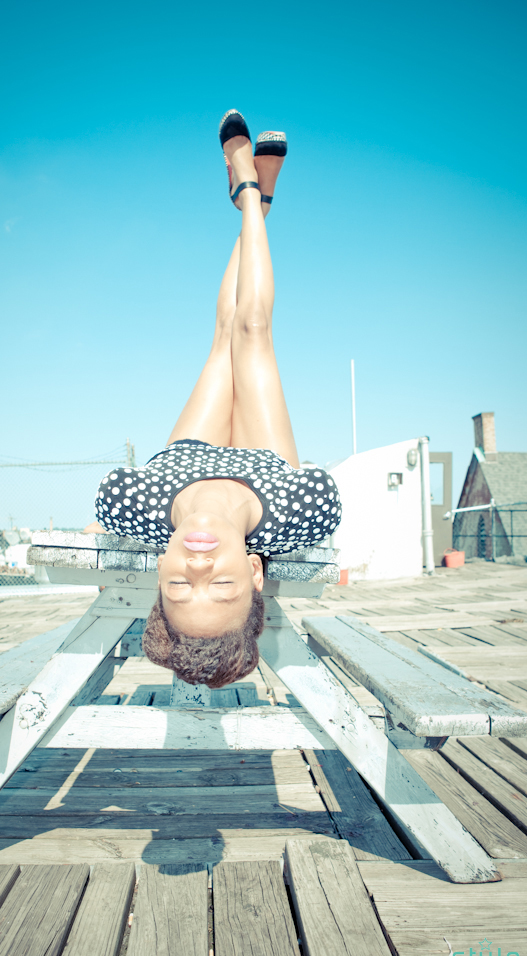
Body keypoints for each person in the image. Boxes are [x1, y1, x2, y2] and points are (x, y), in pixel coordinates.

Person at [85, 110, 341, 687]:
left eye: (179, 585)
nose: (198, 566)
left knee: (225, 333)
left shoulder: (129, 505)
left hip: (185, 461)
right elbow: (316, 485)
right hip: (263, 464)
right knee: (253, 329)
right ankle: (250, 195)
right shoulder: (302, 514)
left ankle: (256, 197)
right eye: (221, 585)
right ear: (255, 573)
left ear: (160, 570)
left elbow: (112, 498)